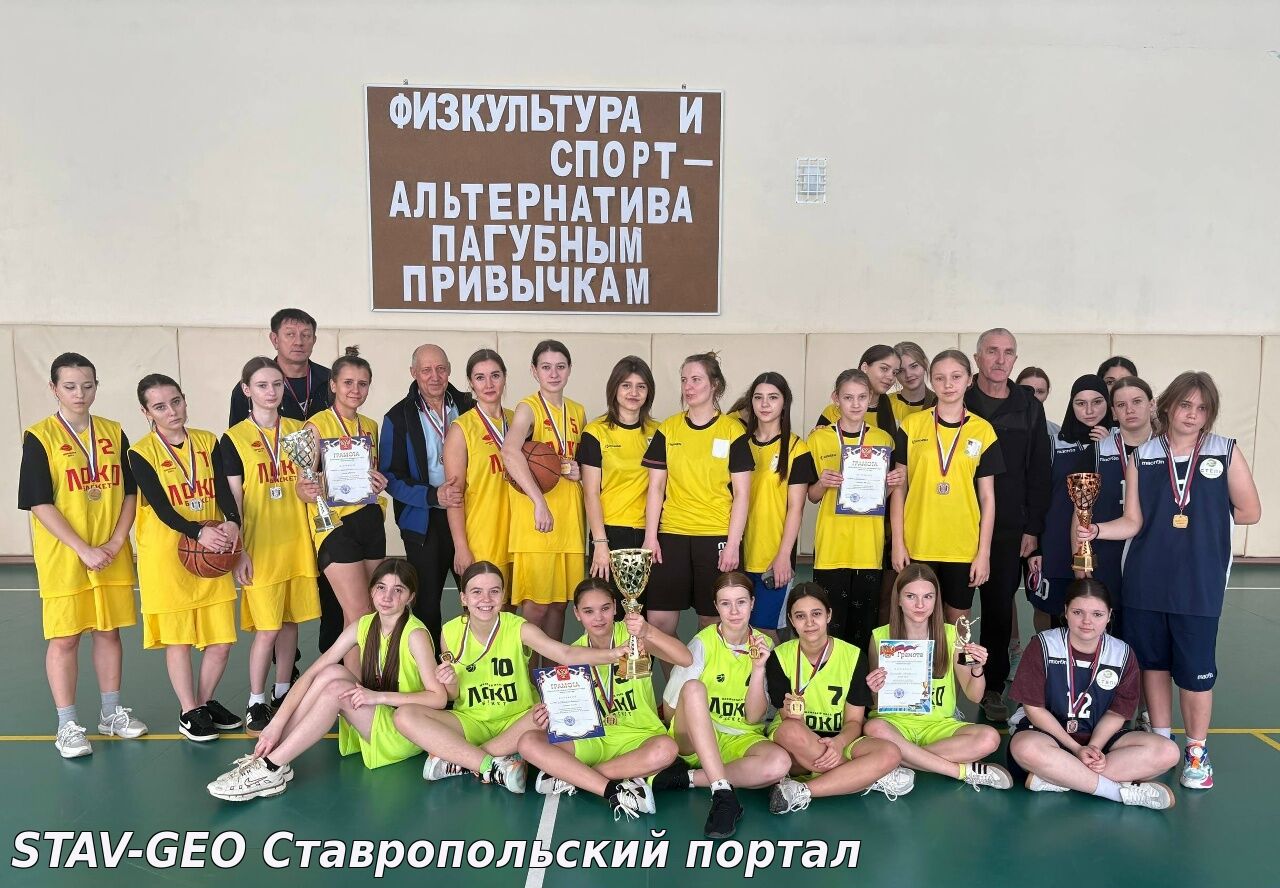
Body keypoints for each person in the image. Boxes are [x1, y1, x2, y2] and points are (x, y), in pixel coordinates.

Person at [1092, 372, 1260, 789]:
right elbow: (1133, 521)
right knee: (1153, 665)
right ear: (1167, 406)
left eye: (1202, 408)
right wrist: (1095, 530)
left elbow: (1250, 511)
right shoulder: (1144, 456)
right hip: (1145, 581)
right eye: (1185, 405)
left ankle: (1197, 752)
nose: (1193, 414)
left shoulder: (1224, 451)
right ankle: (1161, 741)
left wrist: (1205, 517)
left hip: (1198, 584)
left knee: (1195, 671)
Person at [206, 559, 447, 801]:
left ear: (410, 597)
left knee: (335, 692)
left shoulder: (414, 635)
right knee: (330, 672)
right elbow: (311, 674)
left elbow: (438, 698)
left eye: (398, 590)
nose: (387, 596)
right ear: (372, 590)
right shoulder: (364, 625)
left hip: (403, 730)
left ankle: (270, 767)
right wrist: (276, 725)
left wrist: (378, 697)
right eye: (381, 587)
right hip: (378, 715)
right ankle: (276, 754)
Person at [392, 562, 625, 793]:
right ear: (463, 598)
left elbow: (565, 654)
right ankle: (493, 764)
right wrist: (450, 682)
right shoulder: (450, 631)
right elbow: (453, 696)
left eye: (494, 591)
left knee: (549, 713)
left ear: (503, 596)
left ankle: (463, 760)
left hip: (519, 721)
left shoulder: (519, 628)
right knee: (404, 716)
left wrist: (613, 654)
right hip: (472, 720)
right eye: (476, 592)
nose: (486, 599)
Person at [19, 352, 146, 757]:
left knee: (109, 631)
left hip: (109, 550)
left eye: (87, 385)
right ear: (54, 388)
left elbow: (130, 492)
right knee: (65, 638)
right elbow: (39, 502)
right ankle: (67, 724)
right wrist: (83, 549)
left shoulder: (112, 431)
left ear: (96, 386)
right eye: (70, 386)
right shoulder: (40, 436)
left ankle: (110, 714)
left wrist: (116, 542)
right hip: (65, 556)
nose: (80, 393)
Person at [515, 578, 688, 819]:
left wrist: (649, 631)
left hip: (638, 736)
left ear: (615, 607)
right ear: (577, 614)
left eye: (605, 608)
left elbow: (685, 659)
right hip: (592, 740)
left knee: (667, 749)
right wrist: (549, 714)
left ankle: (576, 778)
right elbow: (568, 713)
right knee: (528, 742)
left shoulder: (635, 638)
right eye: (588, 611)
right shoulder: (574, 653)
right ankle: (614, 786)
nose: (598, 618)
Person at [128, 374, 241, 741]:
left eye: (176, 401)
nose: (171, 411)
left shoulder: (207, 441)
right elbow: (161, 507)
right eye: (160, 406)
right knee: (178, 641)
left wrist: (233, 522)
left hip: (210, 554)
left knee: (221, 641)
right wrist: (197, 532)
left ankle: (204, 703)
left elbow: (223, 490)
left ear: (184, 400)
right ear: (146, 412)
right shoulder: (140, 452)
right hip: (168, 556)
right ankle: (188, 711)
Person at [1007, 579, 1180, 809]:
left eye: (1097, 614)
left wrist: (1095, 747)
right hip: (1048, 737)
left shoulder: (1122, 653)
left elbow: (1117, 713)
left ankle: (1059, 776)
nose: (1087, 621)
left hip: (1100, 741)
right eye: (1078, 612)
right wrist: (1076, 748)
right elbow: (1034, 709)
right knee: (1024, 747)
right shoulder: (1043, 645)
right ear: (1066, 611)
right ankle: (1116, 792)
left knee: (1168, 751)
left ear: (1109, 616)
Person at [221, 357, 321, 734]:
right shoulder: (233, 439)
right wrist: (240, 550)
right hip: (260, 546)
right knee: (267, 628)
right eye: (262, 385)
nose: (271, 392)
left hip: (296, 541)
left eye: (277, 384)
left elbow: (310, 483)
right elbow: (233, 500)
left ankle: (283, 691)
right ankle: (255, 700)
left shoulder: (299, 431)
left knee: (290, 621)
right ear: (246, 390)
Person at [653, 573, 791, 839]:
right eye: (726, 603)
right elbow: (670, 710)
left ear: (752, 603)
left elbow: (753, 718)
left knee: (779, 764)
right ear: (716, 606)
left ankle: (687, 779)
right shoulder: (702, 643)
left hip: (740, 737)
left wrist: (758, 669)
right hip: (697, 739)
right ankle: (723, 795)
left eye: (741, 602)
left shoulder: (765, 645)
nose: (734, 611)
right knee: (693, 688)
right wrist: (694, 727)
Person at [765, 583, 913, 815]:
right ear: (791, 620)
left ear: (829, 615)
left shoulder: (853, 656)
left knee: (891, 753)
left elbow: (854, 722)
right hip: (797, 740)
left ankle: (802, 790)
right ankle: (869, 777)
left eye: (816, 614)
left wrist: (839, 743)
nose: (810, 623)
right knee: (789, 733)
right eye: (800, 616)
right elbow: (789, 720)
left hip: (840, 739)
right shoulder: (779, 657)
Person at [964, 329, 1051, 722]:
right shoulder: (958, 398)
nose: (1000, 360)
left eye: (1008, 352)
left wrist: (1032, 528)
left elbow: (1039, 470)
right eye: (992, 351)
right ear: (977, 357)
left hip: (1008, 527)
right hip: (955, 524)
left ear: (1015, 359)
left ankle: (993, 688)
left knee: (999, 610)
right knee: (945, 610)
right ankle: (934, 688)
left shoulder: (1028, 406)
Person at [864, 565, 1012, 789]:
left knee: (990, 738)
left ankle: (898, 762)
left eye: (928, 596)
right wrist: (874, 689)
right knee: (874, 728)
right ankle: (962, 771)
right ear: (898, 599)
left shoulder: (953, 635)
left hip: (938, 726)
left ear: (936, 600)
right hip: (895, 725)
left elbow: (974, 695)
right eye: (911, 596)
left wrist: (977, 669)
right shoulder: (880, 636)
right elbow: (876, 703)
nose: (920, 605)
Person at [643, 352, 753, 635]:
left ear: (714, 384)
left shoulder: (732, 431)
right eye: (684, 380)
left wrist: (733, 544)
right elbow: (656, 487)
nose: (688, 387)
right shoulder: (669, 428)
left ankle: (705, 668)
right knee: (659, 623)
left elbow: (742, 494)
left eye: (696, 379)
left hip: (715, 534)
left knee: (711, 622)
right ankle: (676, 668)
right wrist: (650, 537)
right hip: (672, 534)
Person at [891, 350, 1003, 627]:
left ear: (969, 380)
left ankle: (957, 662)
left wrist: (984, 553)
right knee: (916, 622)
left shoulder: (983, 431)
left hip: (962, 546)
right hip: (918, 542)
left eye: (956, 377)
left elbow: (988, 498)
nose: (948, 384)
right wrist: (898, 543)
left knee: (958, 625)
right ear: (931, 380)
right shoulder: (912, 426)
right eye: (940, 378)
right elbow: (899, 488)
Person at [295, 348, 389, 663]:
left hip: (370, 521)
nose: (355, 390)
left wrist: (378, 482)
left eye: (362, 384)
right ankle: (350, 684)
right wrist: (312, 489)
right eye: (348, 382)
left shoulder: (370, 426)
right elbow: (302, 486)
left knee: (372, 611)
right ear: (333, 385)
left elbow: (372, 473)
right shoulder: (314, 426)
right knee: (359, 613)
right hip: (335, 526)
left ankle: (359, 680)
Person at [380, 343, 475, 646]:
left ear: (449, 370)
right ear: (414, 373)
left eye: (441, 369)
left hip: (471, 514)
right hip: (424, 521)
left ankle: (475, 662)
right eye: (426, 370)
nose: (435, 376)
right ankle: (431, 668)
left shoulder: (470, 406)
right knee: (427, 603)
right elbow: (391, 476)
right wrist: (433, 496)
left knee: (477, 596)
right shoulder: (398, 417)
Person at [806, 369, 902, 648]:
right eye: (848, 397)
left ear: (870, 397)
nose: (856, 404)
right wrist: (823, 483)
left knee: (863, 627)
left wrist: (892, 484)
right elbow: (811, 496)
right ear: (836, 398)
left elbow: (880, 497)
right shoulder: (818, 439)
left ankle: (860, 677)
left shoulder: (883, 440)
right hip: (831, 547)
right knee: (830, 627)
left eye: (861, 397)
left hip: (867, 548)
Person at [502, 340, 585, 645]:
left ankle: (551, 673)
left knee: (559, 605)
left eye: (560, 367)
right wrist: (539, 501)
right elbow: (509, 452)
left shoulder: (578, 411)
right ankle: (526, 673)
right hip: (538, 521)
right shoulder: (528, 408)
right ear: (534, 371)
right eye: (546, 367)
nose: (554, 373)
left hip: (569, 520)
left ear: (570, 370)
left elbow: (581, 462)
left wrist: (578, 471)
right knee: (536, 607)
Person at [731, 372, 817, 640]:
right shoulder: (739, 444)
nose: (765, 404)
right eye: (758, 398)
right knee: (737, 630)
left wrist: (783, 555)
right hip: (737, 554)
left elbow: (796, 508)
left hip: (772, 557)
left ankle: (775, 671)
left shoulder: (797, 448)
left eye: (773, 397)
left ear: (784, 402)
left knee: (765, 631)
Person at [1033, 375, 1113, 632]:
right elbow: (1038, 494)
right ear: (1071, 405)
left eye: (1097, 402)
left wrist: (1108, 446)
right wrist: (1037, 547)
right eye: (1080, 403)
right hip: (1057, 545)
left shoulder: (1119, 442)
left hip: (1104, 542)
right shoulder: (1055, 443)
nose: (1089, 410)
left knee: (1098, 616)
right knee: (1051, 613)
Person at [579, 356, 659, 601]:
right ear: (614, 388)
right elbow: (591, 492)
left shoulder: (659, 432)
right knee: (610, 610)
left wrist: (653, 536)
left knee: (644, 612)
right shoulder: (596, 432)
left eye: (641, 386)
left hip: (651, 534)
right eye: (626, 385)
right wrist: (600, 542)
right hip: (611, 532)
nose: (634, 392)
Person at [1089, 376, 1156, 642]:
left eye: (1137, 401)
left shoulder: (1170, 450)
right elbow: (1080, 511)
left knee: (1146, 642)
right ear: (1113, 413)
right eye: (1121, 405)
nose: (1130, 409)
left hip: (1151, 557)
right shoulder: (1097, 451)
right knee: (1107, 639)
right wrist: (1079, 559)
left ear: (1152, 405)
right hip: (1106, 556)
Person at [444, 349, 515, 589]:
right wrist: (461, 546)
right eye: (480, 377)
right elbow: (454, 495)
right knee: (487, 606)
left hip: (519, 534)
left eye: (495, 375)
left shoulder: (519, 421)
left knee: (512, 610)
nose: (489, 384)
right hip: (483, 536)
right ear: (471, 383)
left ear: (504, 377)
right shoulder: (461, 429)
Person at [228, 308, 331, 427]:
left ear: (314, 340)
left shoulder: (332, 380)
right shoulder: (252, 386)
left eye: (306, 335)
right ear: (275, 339)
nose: (299, 342)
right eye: (290, 334)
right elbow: (238, 434)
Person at [814, 345, 901, 436]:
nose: (891, 377)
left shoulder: (899, 409)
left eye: (895, 373)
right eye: (884, 369)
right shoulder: (833, 411)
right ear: (865, 367)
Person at [889, 341, 937, 423]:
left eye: (914, 366)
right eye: (901, 370)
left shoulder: (940, 403)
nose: (908, 375)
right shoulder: (885, 403)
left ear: (925, 364)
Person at [1016, 367, 1060, 443]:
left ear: (1047, 394)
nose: (1033, 396)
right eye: (1027, 390)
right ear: (1016, 391)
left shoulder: (1057, 433)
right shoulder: (999, 427)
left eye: (1040, 392)